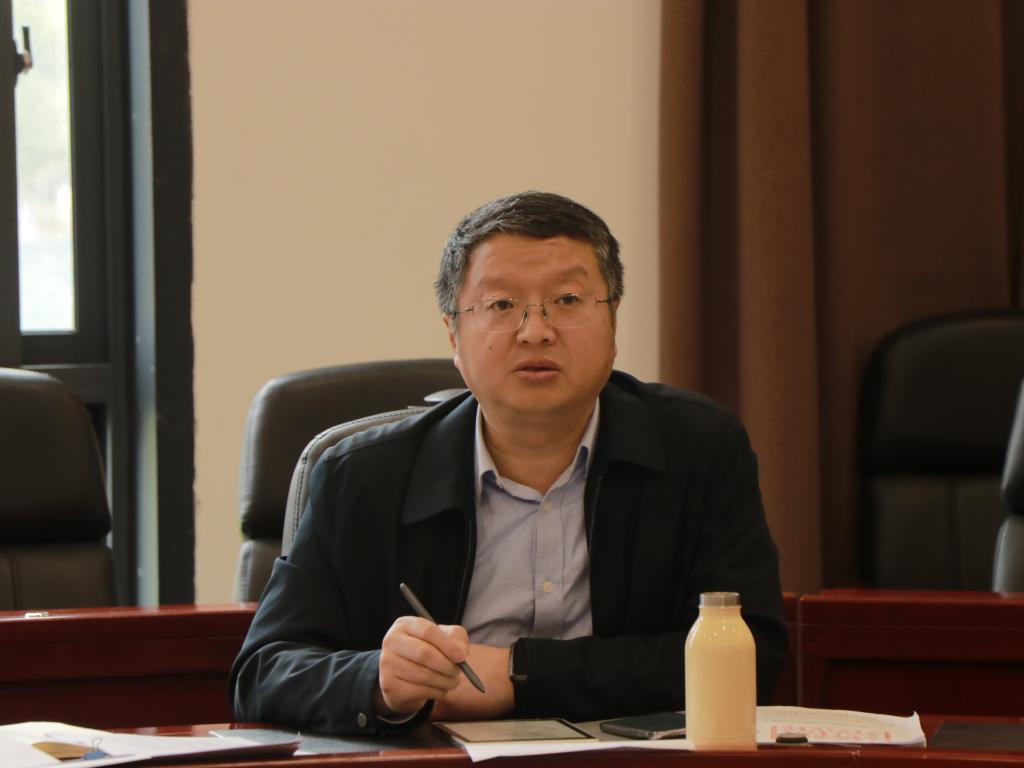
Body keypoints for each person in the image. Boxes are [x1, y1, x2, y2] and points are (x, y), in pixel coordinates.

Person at [230, 191, 788, 735]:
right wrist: (377, 682)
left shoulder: (699, 450)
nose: (536, 330)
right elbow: (264, 670)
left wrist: (520, 676)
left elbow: (753, 654)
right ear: (453, 334)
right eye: (501, 305)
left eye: (567, 300)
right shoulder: (360, 476)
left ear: (613, 323)